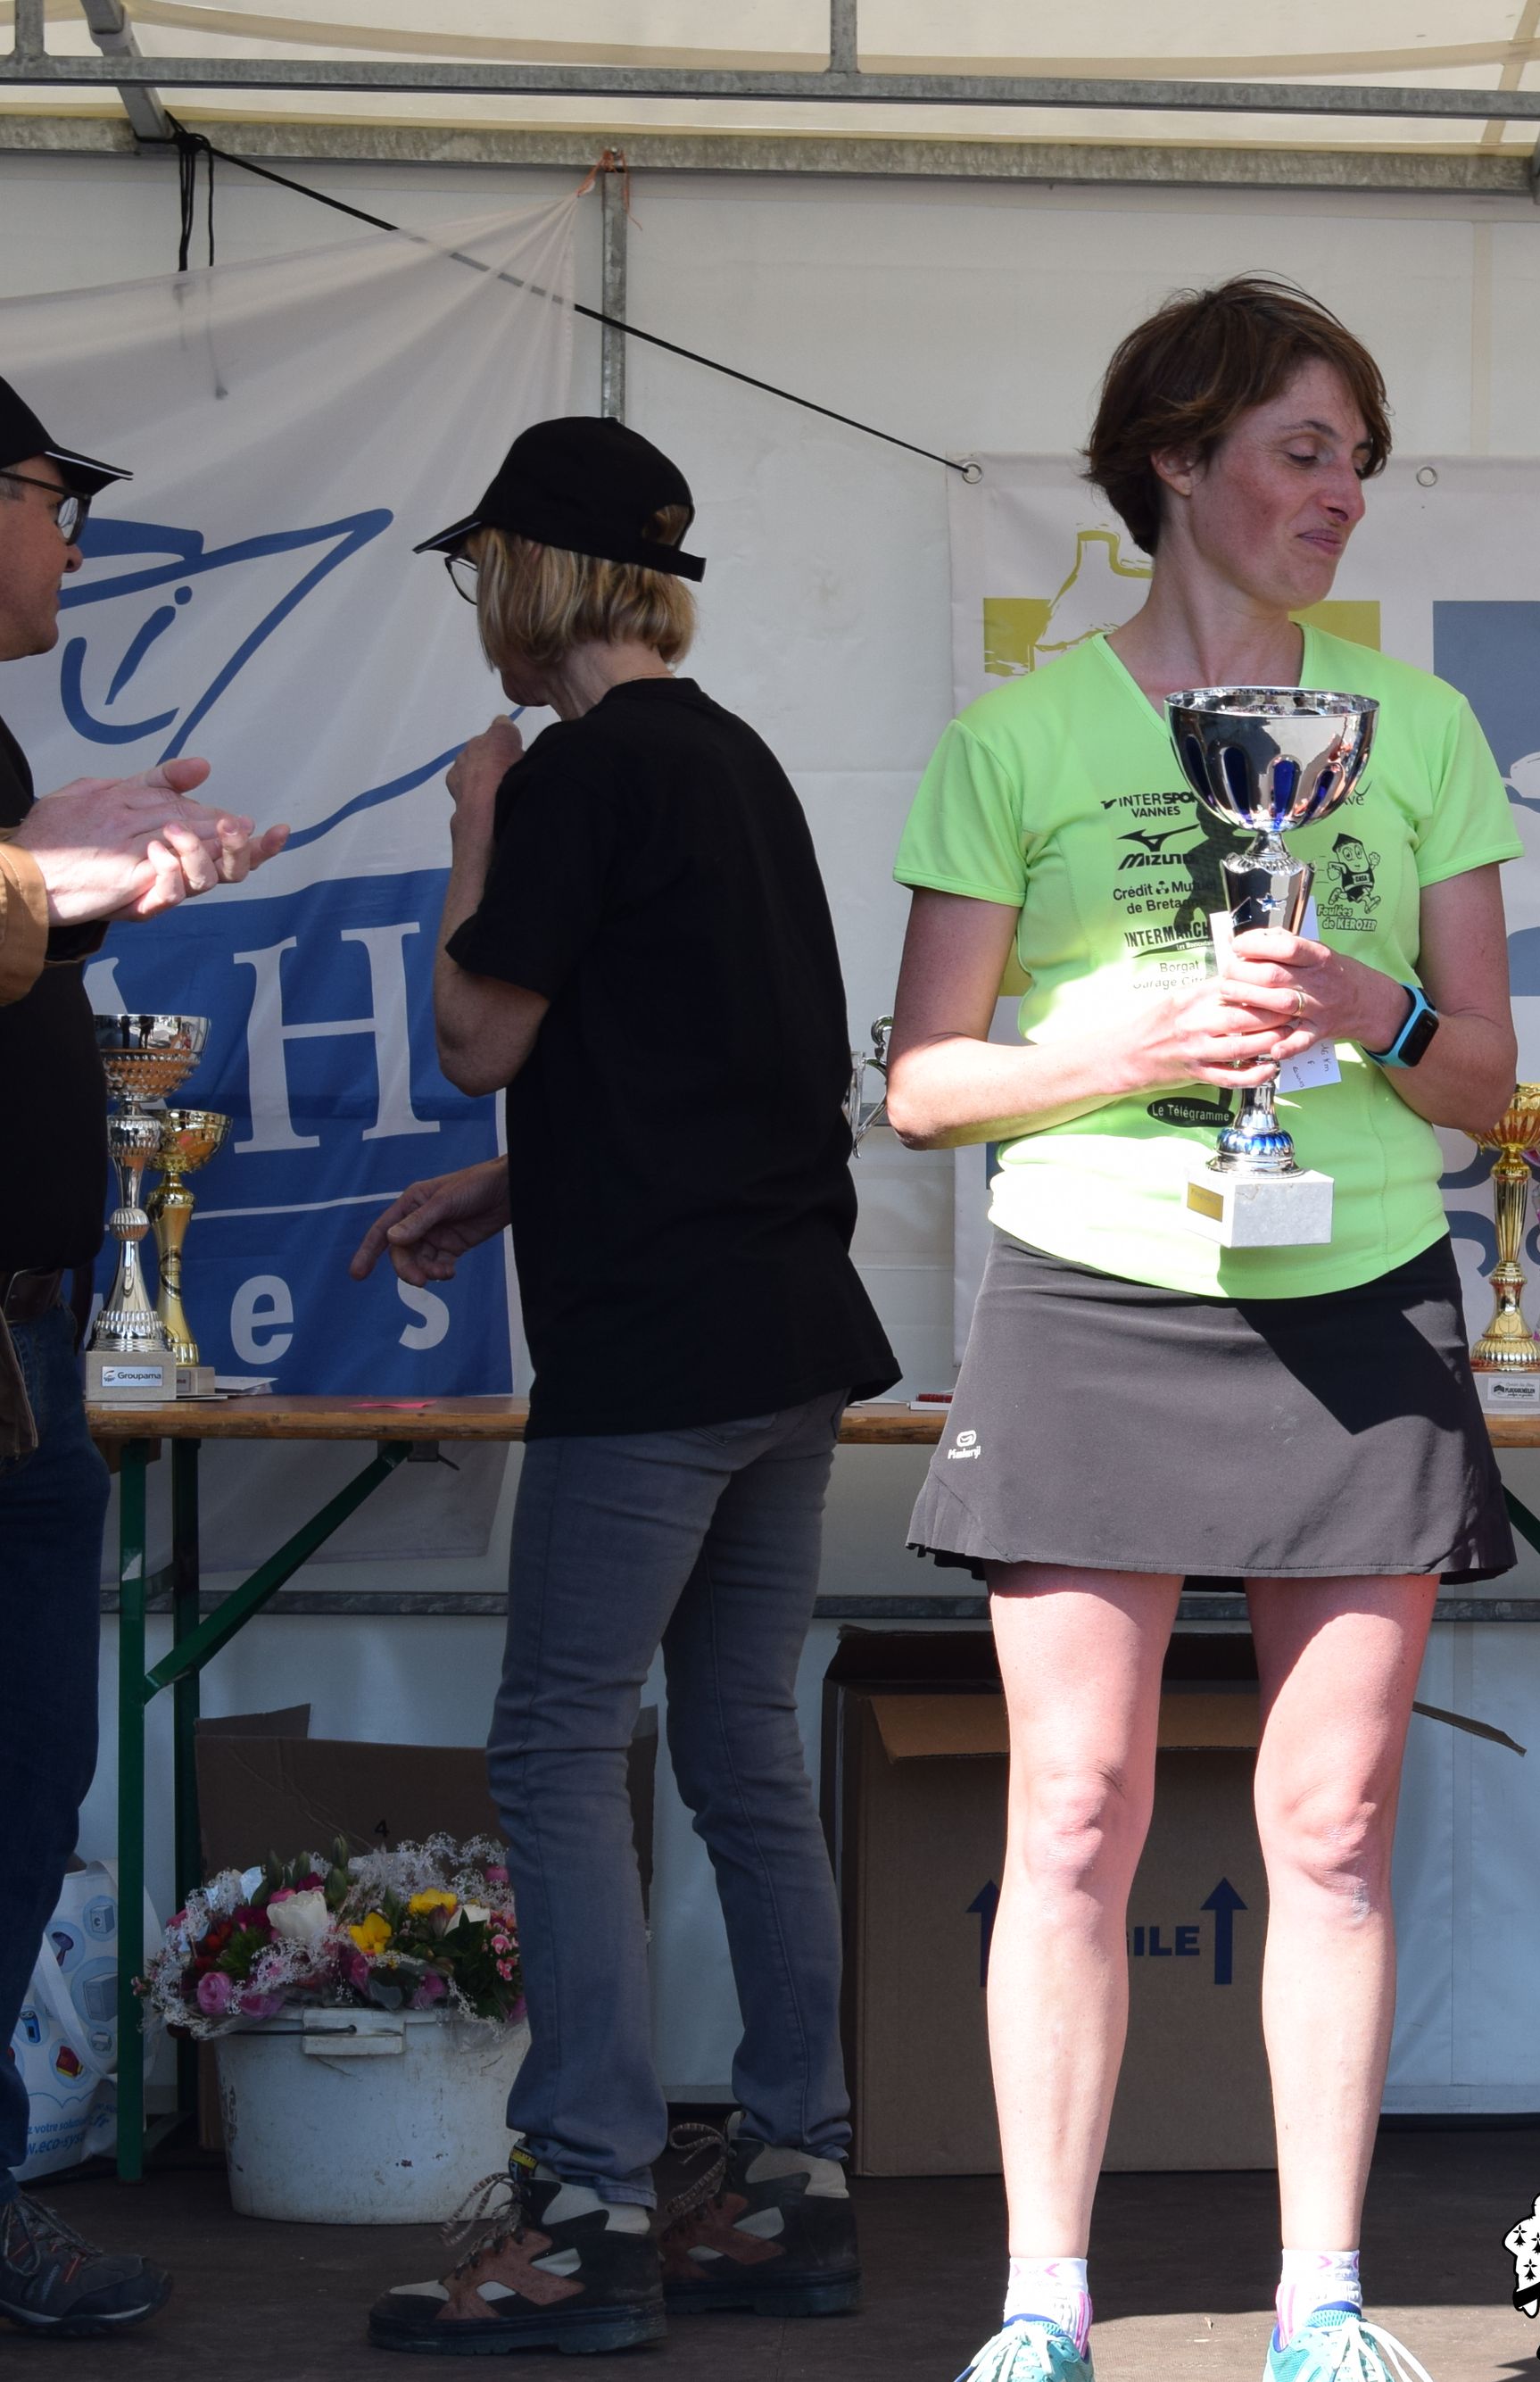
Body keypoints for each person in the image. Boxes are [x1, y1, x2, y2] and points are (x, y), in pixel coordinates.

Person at [882, 276, 1520, 2382]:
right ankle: (1041, 2298)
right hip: (1096, 1289)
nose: (1341, 495)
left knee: (1328, 1825)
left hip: (1357, 1295)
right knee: (1073, 1812)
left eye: (1358, 460)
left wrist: (1367, 1007)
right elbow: (923, 1086)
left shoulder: (1417, 730)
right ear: (1174, 459)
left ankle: (1320, 2297)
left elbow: (1483, 1080)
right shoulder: (1021, 737)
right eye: (1299, 451)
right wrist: (1128, 1047)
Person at [351, 417, 898, 2353]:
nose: (474, 603)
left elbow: (476, 1034)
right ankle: (793, 2176)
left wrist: (476, 823)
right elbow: (733, 1072)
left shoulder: (574, 774)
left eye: (477, 568)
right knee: (742, 1748)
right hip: (786, 1337)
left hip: (657, 1358)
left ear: (528, 573)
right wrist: (516, 1190)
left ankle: (584, 2202)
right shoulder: (737, 760)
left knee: (557, 1747)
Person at [0, 374, 281, 2338]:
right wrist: (37, 876)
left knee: (32, 1786)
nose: (73, 540)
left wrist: (66, 883)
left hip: (27, 1353)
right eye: (52, 495)